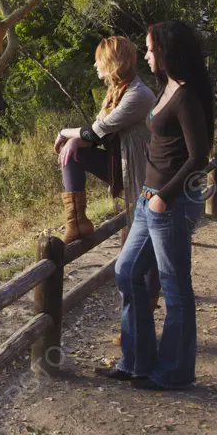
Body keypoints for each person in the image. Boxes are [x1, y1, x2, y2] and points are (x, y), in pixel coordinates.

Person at [98, 20, 213, 391]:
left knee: (174, 286)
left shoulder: (187, 95)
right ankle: (136, 362)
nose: (145, 55)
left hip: (170, 203)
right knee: (128, 272)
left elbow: (199, 157)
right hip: (150, 198)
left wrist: (165, 196)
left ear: (165, 51)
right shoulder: (168, 87)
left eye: (150, 49)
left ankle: (175, 371)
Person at [55, 35, 160, 312]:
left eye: (99, 60)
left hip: (145, 179)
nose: (94, 65)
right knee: (72, 152)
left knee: (141, 250)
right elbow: (96, 132)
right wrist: (75, 140)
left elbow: (96, 131)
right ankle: (76, 222)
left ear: (112, 63)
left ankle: (141, 316)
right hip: (123, 168)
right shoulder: (116, 91)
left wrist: (66, 132)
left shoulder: (138, 95)